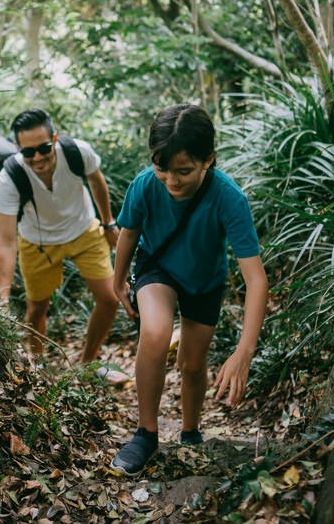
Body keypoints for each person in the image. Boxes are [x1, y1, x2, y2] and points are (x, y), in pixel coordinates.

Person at [109, 103, 268, 475]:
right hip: (157, 268)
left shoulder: (229, 197)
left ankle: (190, 430)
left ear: (208, 160)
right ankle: (145, 434)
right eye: (162, 168)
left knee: (193, 364)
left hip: (204, 280)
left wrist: (244, 351)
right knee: (156, 331)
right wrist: (118, 279)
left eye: (184, 171)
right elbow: (129, 233)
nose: (171, 181)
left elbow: (256, 280)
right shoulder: (144, 185)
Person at [0, 108, 127, 384]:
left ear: (54, 138)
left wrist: (108, 223)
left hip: (84, 230)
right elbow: (6, 241)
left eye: (44, 148)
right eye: (28, 152)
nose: (38, 157)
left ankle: (87, 365)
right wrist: (2, 298)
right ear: (17, 148)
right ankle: (40, 369)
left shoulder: (78, 152)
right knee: (37, 307)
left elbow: (96, 180)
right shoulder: (9, 177)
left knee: (109, 299)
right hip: (37, 242)